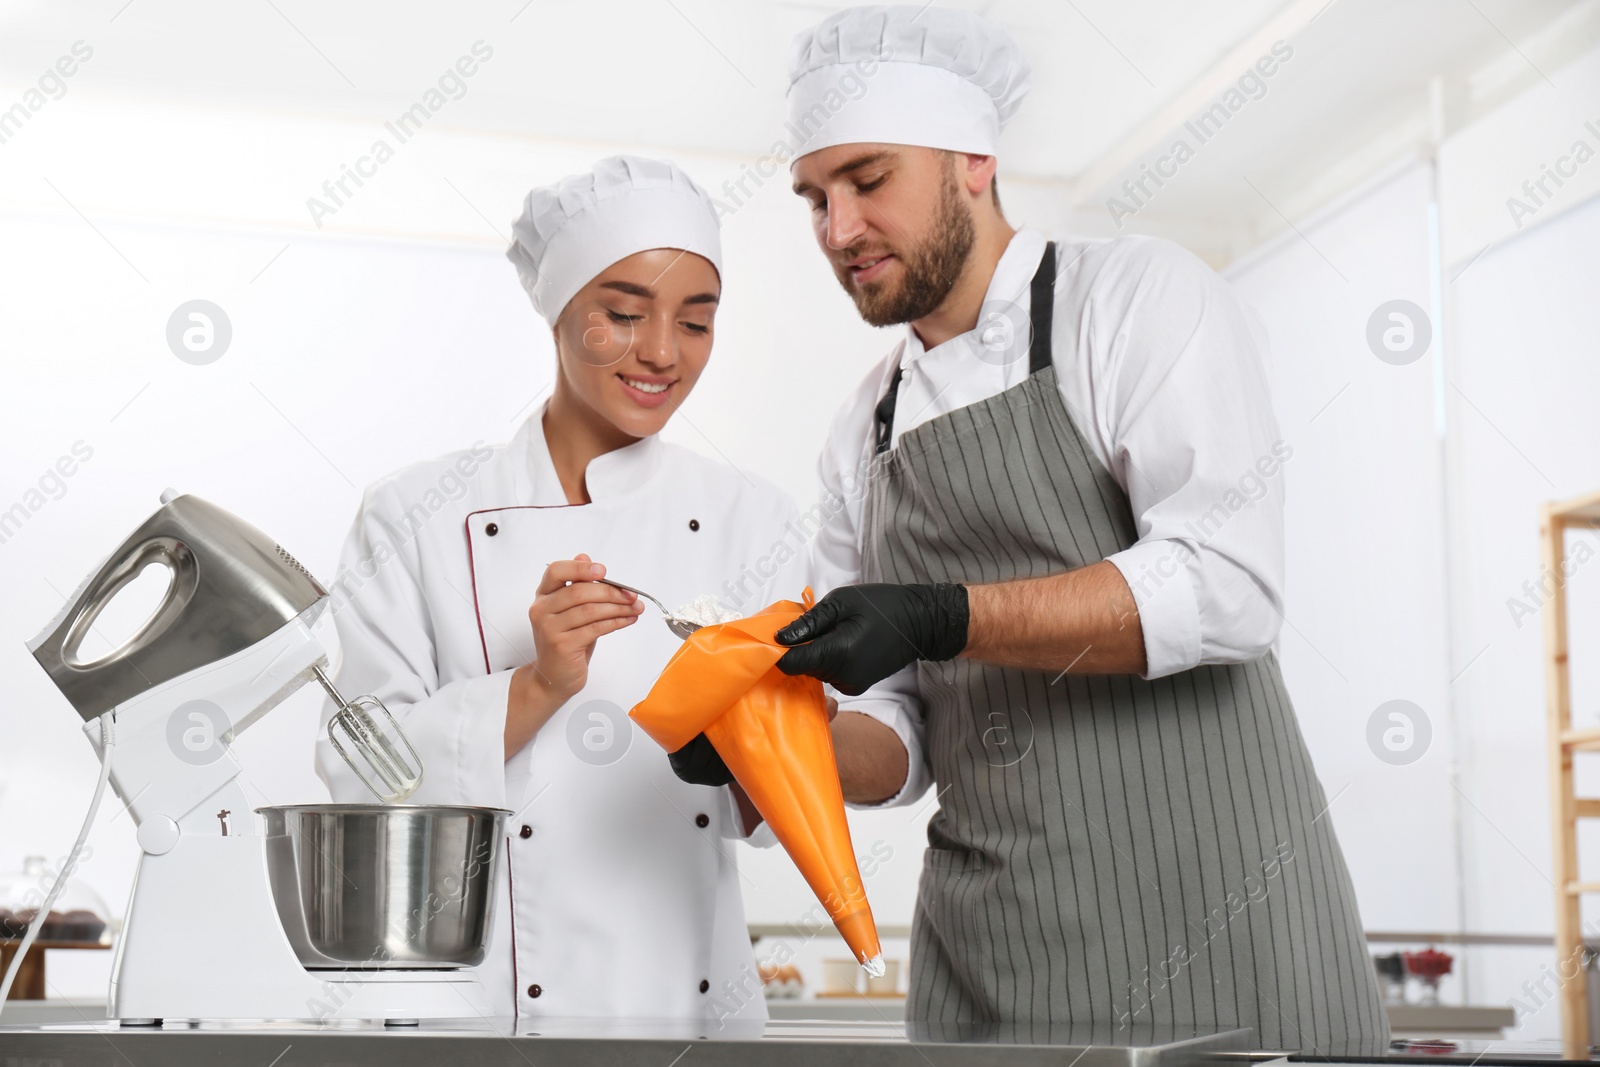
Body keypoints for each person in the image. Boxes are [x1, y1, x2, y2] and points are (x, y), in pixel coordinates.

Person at [769, 5, 1387, 1053]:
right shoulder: (856, 433)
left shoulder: (1132, 299)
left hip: (1228, 927)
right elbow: (900, 740)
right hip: (997, 953)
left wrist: (939, 614)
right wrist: (771, 747)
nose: (838, 231)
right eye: (814, 198)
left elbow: (1226, 583)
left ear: (973, 156)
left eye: (867, 180)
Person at [316, 155, 802, 1023]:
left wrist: (770, 724)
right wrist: (539, 685)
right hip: (487, 1012)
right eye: (621, 314)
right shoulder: (418, 514)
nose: (660, 351)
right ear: (558, 312)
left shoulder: (749, 518)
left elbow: (781, 786)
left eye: (696, 321)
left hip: (684, 1005)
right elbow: (359, 769)